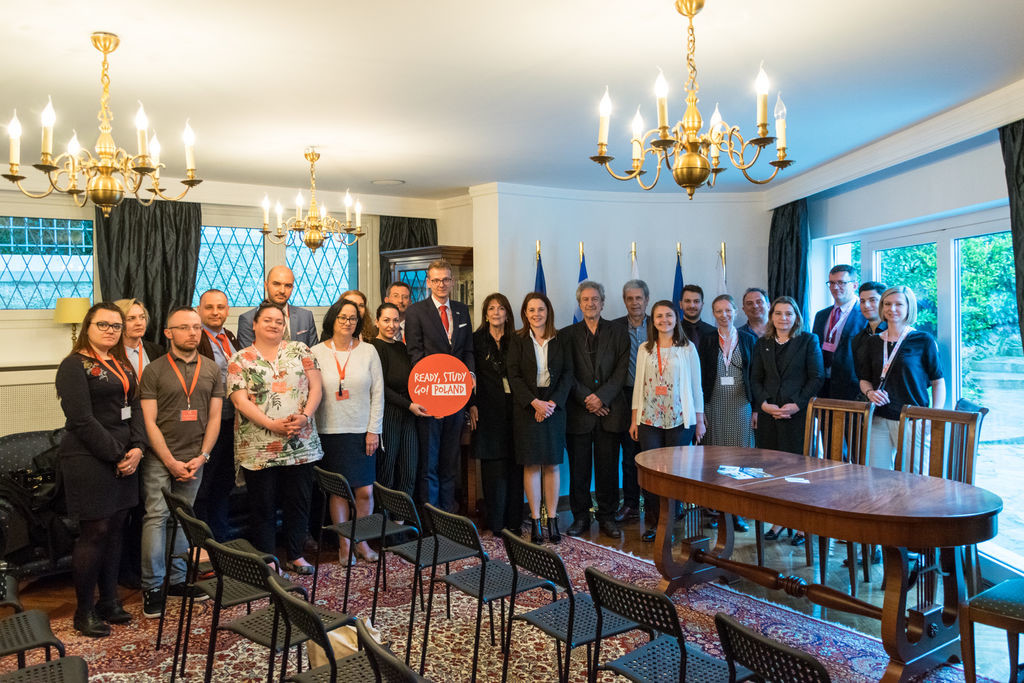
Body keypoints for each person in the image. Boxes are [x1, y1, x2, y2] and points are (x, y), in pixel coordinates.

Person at [55, 302, 146, 637]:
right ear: (87, 327)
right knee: (95, 532)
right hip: (89, 458)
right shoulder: (73, 365)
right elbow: (81, 419)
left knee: (117, 529)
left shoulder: (120, 363)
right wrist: (117, 455)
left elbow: (136, 407)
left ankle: (110, 601)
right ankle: (84, 611)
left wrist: (138, 447)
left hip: (126, 455)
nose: (111, 330)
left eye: (116, 326)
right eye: (103, 324)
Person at [138, 307, 223, 618]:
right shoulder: (154, 370)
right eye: (184, 327)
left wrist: (203, 456)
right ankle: (153, 587)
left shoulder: (212, 369)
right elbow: (148, 422)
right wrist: (170, 461)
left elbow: (215, 418)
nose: (192, 333)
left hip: (195, 458)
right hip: (160, 457)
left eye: (196, 327)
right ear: (168, 333)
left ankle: (176, 581)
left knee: (183, 518)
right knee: (157, 516)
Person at [227, 302, 323, 574]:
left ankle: (296, 555)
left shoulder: (301, 350)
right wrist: (271, 424)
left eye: (279, 321)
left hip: (300, 442)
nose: (274, 325)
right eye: (267, 320)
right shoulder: (239, 359)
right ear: (254, 324)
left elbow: (316, 387)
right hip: (258, 446)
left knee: (299, 501)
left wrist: (305, 416)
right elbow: (239, 400)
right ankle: (269, 560)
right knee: (263, 505)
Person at [310, 299, 384, 563]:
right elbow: (309, 392)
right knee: (339, 491)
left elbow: (378, 393)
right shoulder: (315, 352)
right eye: (342, 317)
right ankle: (344, 545)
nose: (347, 322)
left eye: (353, 318)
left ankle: (361, 542)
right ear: (333, 319)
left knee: (365, 491)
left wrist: (374, 430)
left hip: (362, 431)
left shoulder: (369, 351)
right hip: (330, 431)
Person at [750, 296, 824, 546]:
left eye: (788, 313)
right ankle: (778, 521)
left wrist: (797, 404)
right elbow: (755, 379)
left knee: (798, 472)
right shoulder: (763, 343)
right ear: (771, 316)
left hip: (797, 416)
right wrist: (763, 404)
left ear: (796, 317)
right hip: (769, 416)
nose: (783, 318)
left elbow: (816, 377)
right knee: (772, 471)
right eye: (778, 313)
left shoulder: (808, 340)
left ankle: (802, 526)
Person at [629, 300, 705, 543]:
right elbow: (638, 385)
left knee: (674, 472)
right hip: (649, 419)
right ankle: (655, 521)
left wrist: (699, 420)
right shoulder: (645, 349)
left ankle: (671, 520)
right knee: (652, 472)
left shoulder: (687, 348)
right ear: (653, 320)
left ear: (676, 318)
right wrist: (634, 419)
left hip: (680, 419)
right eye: (659, 316)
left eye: (669, 315)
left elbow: (696, 387)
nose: (664, 320)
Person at [404, 259, 475, 511]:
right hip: (430, 398)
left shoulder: (462, 310)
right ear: (428, 282)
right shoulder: (416, 311)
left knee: (450, 459)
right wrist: (432, 390)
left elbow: (468, 349)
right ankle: (431, 517)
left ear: (452, 281)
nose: (441, 284)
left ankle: (448, 515)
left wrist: (470, 374)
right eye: (436, 280)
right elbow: (415, 354)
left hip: (456, 395)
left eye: (445, 279)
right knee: (430, 462)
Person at [563, 280, 629, 539]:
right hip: (579, 413)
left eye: (595, 299)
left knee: (608, 469)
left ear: (603, 303)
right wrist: (587, 399)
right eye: (585, 299)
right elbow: (566, 372)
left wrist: (601, 398)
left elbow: (621, 371)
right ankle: (580, 516)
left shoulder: (618, 332)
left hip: (609, 412)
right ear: (579, 304)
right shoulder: (566, 335)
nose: (590, 303)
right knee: (579, 470)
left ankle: (607, 516)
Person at [507, 292, 573, 544]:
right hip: (528, 406)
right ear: (525, 313)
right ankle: (535, 520)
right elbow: (513, 375)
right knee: (532, 464)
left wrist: (552, 403)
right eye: (532, 310)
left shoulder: (561, 339)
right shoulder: (517, 340)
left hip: (554, 406)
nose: (536, 314)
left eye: (541, 309)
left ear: (548, 312)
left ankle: (552, 520)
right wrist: (534, 403)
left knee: (552, 464)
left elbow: (568, 373)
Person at [858, 286, 945, 470]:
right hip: (878, 419)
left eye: (899, 304)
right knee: (877, 477)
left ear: (909, 307)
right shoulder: (873, 342)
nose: (892, 309)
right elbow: (864, 379)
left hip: (912, 420)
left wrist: (933, 416)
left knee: (913, 478)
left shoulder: (923, 340)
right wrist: (870, 393)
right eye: (887, 304)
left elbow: (938, 381)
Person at [698, 294, 757, 532]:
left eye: (728, 310)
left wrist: (756, 408)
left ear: (735, 311)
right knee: (716, 460)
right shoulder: (707, 340)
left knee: (740, 459)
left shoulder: (748, 339)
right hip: (714, 405)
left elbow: (756, 375)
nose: (724, 315)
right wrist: (701, 410)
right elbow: (701, 375)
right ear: (713, 314)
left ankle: (738, 513)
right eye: (719, 311)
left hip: (741, 405)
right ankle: (718, 511)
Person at [468, 293, 524, 534]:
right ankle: (496, 522)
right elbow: (467, 375)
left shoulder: (518, 340)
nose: (496, 312)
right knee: (494, 469)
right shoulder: (475, 340)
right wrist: (471, 404)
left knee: (515, 466)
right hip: (487, 410)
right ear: (485, 314)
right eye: (491, 308)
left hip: (516, 410)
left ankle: (515, 521)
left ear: (507, 313)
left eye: (501, 308)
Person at [193, 289, 240, 541]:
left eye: (220, 307)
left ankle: (221, 539)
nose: (215, 312)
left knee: (224, 483)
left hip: (232, 420)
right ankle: (202, 544)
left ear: (227, 310)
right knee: (204, 484)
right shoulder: (195, 337)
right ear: (199, 310)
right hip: (207, 423)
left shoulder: (229, 336)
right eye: (209, 307)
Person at [371, 303, 428, 497]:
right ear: (377, 321)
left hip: (409, 414)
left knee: (409, 472)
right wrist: (409, 405)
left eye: (395, 320)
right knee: (387, 471)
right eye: (386, 320)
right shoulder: (373, 348)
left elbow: (414, 381)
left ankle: (402, 515)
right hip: (388, 414)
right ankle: (384, 515)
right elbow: (380, 388)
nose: (391, 325)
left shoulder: (402, 347)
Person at [612, 279, 649, 525]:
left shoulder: (658, 324)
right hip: (624, 396)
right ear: (624, 301)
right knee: (629, 454)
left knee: (654, 454)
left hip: (654, 398)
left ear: (646, 299)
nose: (635, 303)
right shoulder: (614, 327)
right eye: (630, 298)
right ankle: (631, 504)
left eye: (639, 298)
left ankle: (660, 506)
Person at [811, 265, 867, 400]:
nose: (835, 287)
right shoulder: (821, 315)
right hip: (822, 385)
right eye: (832, 283)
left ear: (854, 285)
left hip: (851, 387)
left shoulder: (864, 316)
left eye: (841, 282)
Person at [236, 266, 318, 348]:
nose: (282, 291)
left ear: (292, 288)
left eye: (288, 286)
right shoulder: (248, 319)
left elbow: (314, 352)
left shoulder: (306, 316)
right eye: (276, 284)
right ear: (266, 285)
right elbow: (247, 354)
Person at [114, 298, 164, 381]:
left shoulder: (157, 351)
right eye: (131, 318)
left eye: (142, 317)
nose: (139, 323)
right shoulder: (109, 352)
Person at [852, 281, 887, 383]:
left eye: (872, 300)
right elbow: (860, 375)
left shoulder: (897, 334)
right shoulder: (858, 339)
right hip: (867, 391)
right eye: (862, 301)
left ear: (884, 302)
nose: (866, 305)